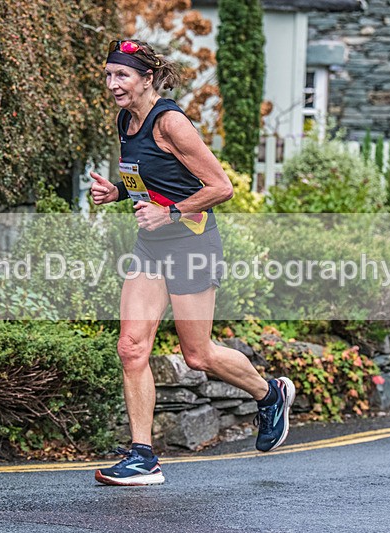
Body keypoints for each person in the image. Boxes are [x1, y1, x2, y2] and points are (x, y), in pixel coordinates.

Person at [89, 39, 296, 486]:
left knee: (197, 354)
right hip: (151, 246)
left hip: (192, 243)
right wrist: (118, 193)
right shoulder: (127, 119)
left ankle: (269, 392)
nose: (112, 84)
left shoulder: (171, 123)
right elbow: (152, 176)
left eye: (121, 75)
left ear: (146, 78)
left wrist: (171, 213)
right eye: (108, 75)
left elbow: (221, 187)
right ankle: (143, 456)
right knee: (131, 346)